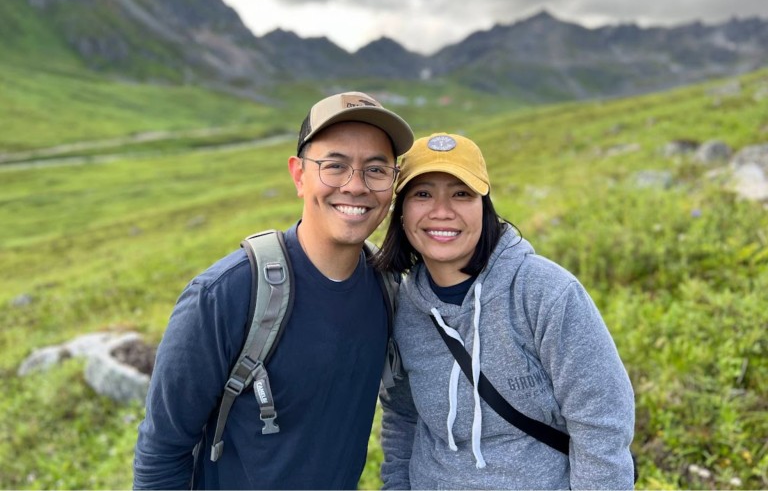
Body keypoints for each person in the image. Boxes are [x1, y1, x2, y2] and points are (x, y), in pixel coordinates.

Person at [133, 91, 414, 490]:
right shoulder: (224, 296)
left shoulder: (388, 291)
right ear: (299, 175)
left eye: (376, 169)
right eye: (335, 165)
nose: (356, 186)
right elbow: (160, 456)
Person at [376, 133, 635, 490]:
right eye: (422, 194)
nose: (441, 211)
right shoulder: (401, 306)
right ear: (401, 212)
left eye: (461, 193)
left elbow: (601, 423)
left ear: (484, 208)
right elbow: (402, 417)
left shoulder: (546, 292)